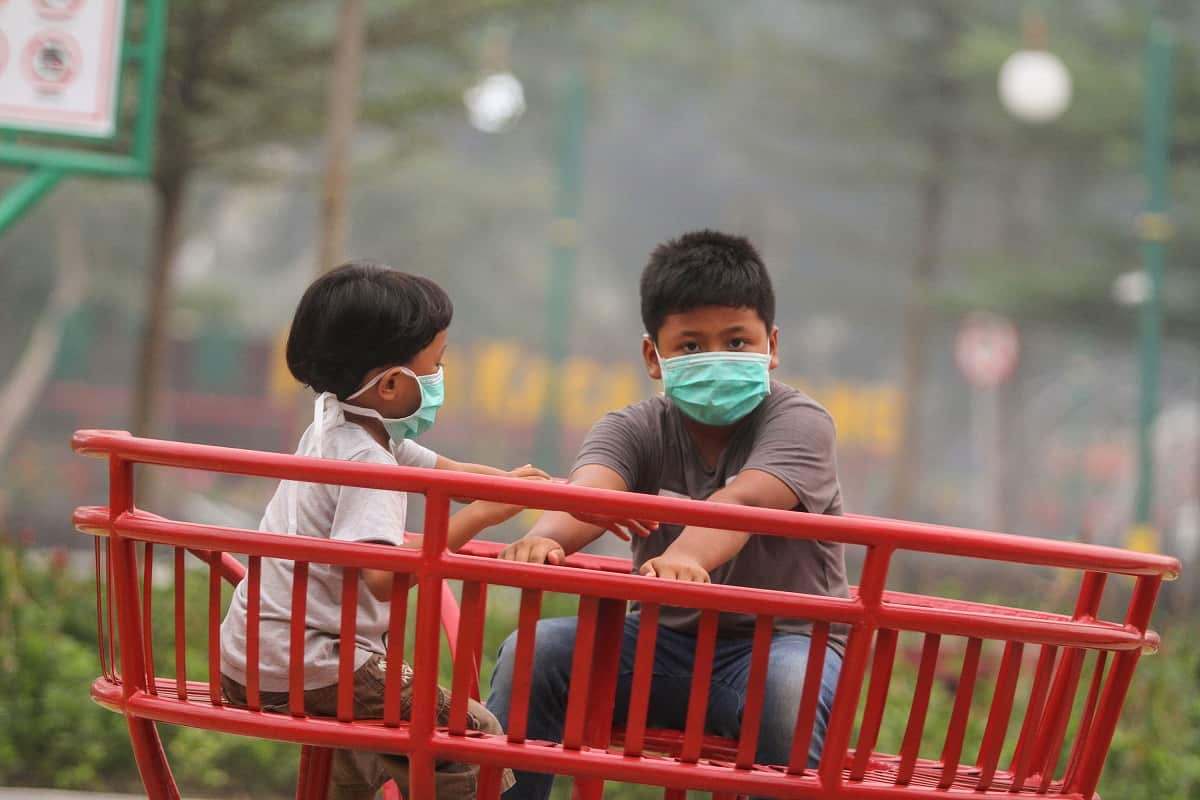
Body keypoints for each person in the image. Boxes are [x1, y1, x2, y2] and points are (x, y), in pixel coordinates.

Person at [487, 230, 850, 800]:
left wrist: (682, 555)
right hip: (661, 644)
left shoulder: (800, 423)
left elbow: (747, 502)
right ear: (653, 357)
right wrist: (547, 535)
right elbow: (592, 491)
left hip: (784, 641)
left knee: (788, 687)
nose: (716, 360)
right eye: (690, 346)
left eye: (736, 342)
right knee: (538, 653)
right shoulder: (633, 428)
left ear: (772, 346)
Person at [220, 261, 535, 799]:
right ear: (392, 384)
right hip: (317, 665)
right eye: (436, 366)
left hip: (252, 659)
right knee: (471, 733)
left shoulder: (335, 430)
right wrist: (478, 519)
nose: (440, 380)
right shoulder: (372, 466)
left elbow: (452, 475)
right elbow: (383, 581)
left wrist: (525, 486)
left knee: (378, 731)